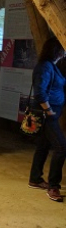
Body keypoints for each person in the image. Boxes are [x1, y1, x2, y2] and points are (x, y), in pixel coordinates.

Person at [28, 37, 66, 202]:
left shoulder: (51, 66)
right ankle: (53, 186)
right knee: (61, 148)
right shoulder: (45, 67)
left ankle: (35, 179)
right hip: (46, 115)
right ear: (56, 50)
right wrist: (49, 110)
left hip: (51, 112)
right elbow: (40, 92)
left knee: (43, 146)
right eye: (62, 48)